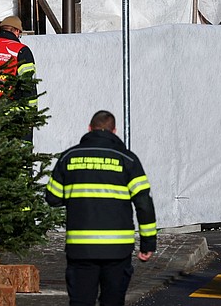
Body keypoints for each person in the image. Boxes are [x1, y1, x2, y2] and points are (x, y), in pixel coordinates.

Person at [45, 110, 157, 306]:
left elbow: (53, 198)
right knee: (113, 301)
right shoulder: (128, 160)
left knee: (81, 301)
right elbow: (144, 204)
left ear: (89, 128)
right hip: (117, 250)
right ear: (114, 131)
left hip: (81, 249)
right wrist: (148, 244)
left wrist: (79, 197)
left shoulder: (69, 157)